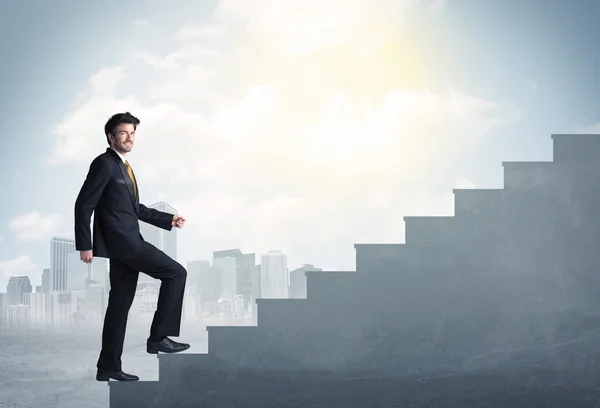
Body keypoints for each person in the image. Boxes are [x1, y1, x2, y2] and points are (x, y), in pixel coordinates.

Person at [74, 112, 190, 382]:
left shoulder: (125, 167)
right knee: (176, 273)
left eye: (132, 133)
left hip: (123, 246)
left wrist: (167, 219)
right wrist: (85, 245)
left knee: (118, 306)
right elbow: (84, 204)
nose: (129, 138)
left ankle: (108, 367)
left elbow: (133, 208)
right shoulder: (103, 164)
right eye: (123, 133)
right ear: (111, 136)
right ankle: (159, 338)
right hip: (126, 244)